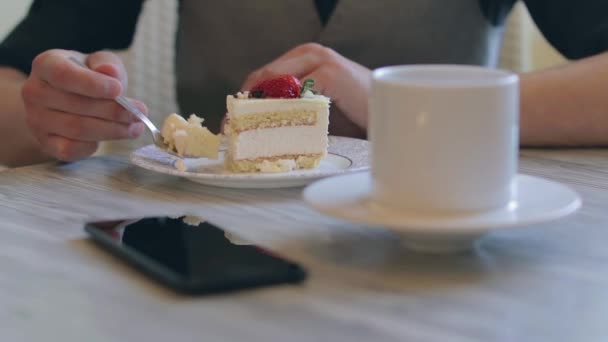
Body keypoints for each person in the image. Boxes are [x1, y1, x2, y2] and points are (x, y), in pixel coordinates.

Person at [0, 1, 607, 167]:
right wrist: (46, 115)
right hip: (213, 253)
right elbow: (18, 81)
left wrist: (405, 105)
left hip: (433, 242)